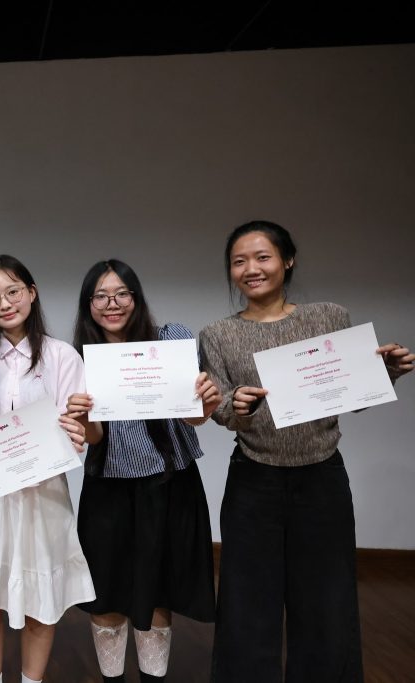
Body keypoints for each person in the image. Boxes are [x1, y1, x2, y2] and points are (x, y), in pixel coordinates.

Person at [198, 221, 413, 682]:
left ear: (287, 260)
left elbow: (351, 397)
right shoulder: (217, 334)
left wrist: (387, 373)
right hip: (253, 478)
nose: (251, 269)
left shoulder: (328, 317)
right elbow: (219, 408)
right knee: (246, 602)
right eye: (239, 261)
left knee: (326, 602)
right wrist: (236, 405)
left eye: (262, 257)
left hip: (322, 477)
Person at [68, 259, 221, 683]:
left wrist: (206, 405)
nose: (112, 304)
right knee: (107, 592)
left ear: (136, 298)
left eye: (122, 293)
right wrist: (82, 418)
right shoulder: (80, 359)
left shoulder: (171, 339)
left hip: (170, 483)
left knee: (159, 590)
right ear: (88, 304)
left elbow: (193, 417)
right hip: (108, 487)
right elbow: (94, 438)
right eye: (100, 296)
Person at [0, 255, 95, 683]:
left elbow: (82, 429)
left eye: (13, 291)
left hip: (43, 494)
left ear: (31, 293)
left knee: (41, 596)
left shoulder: (61, 355)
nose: (4, 303)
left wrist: (78, 430)